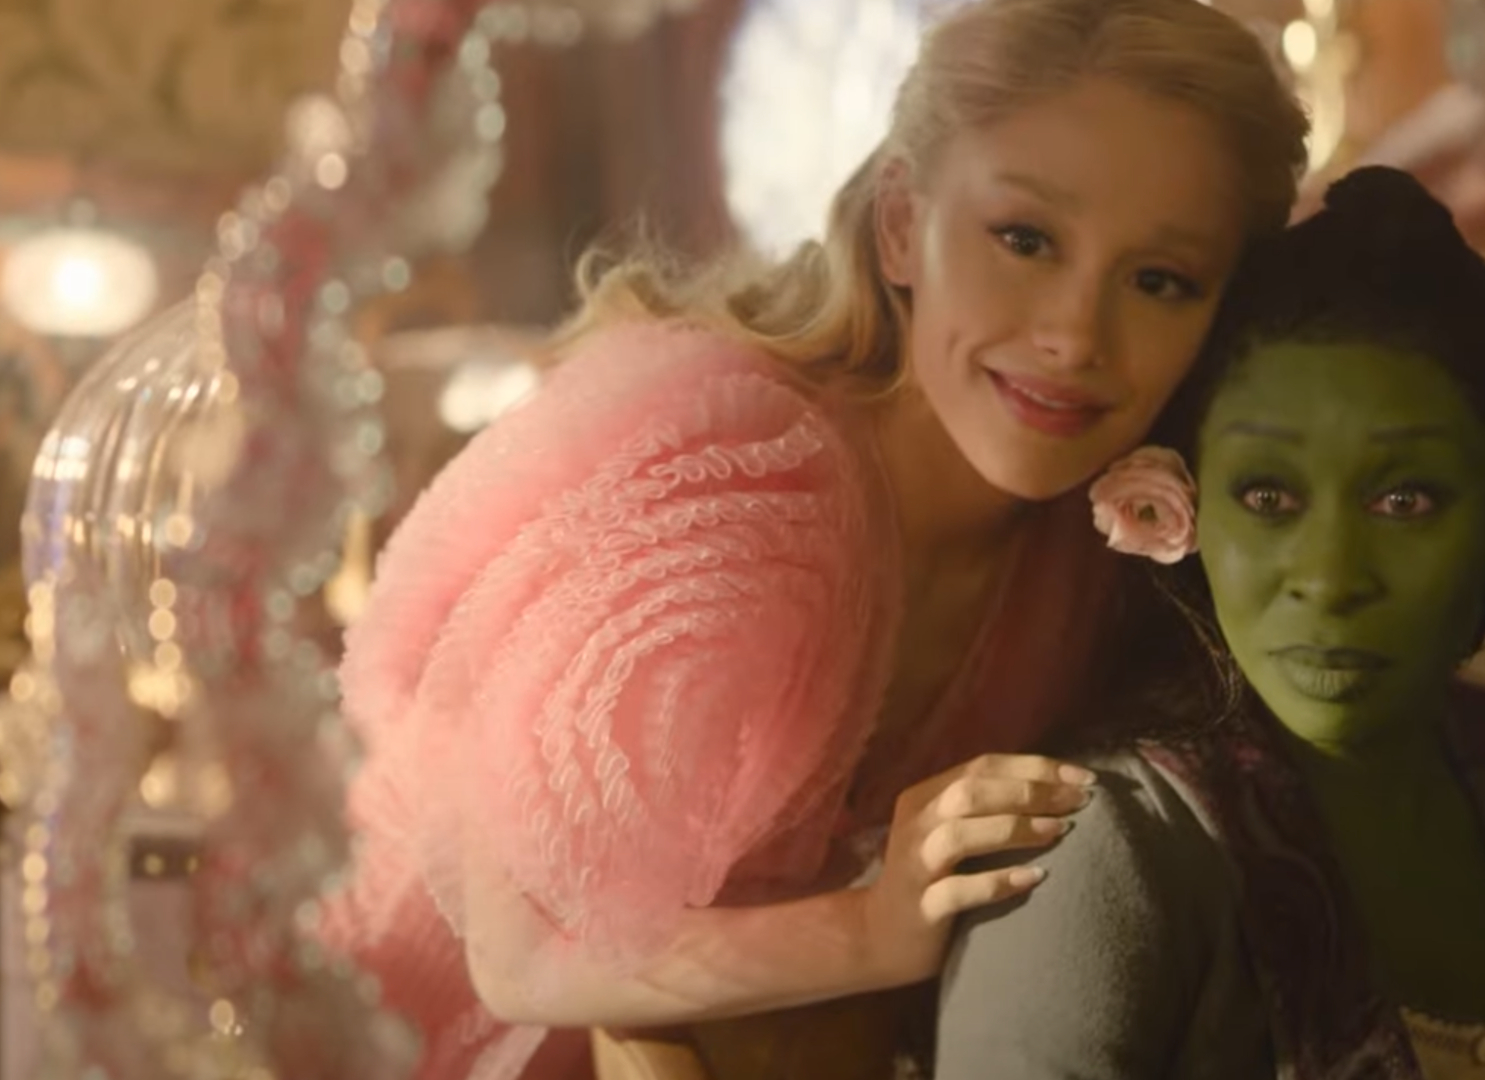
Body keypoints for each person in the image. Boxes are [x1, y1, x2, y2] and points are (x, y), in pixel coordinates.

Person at [318, 1, 1308, 1078]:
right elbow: (524, 954)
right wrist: (873, 928)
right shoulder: (748, 501)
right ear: (902, 226)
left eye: (1159, 280)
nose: (1075, 334)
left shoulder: (1083, 556)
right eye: (1024, 239)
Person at [936, 166, 1485, 1080]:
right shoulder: (1106, 857)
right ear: (1183, 509)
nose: (1330, 580)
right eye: (1266, 496)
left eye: (1405, 500)